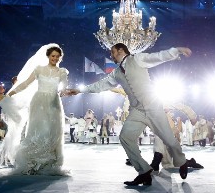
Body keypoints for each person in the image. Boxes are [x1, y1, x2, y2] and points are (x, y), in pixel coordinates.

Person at [65, 43, 196, 186]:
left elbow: (158, 56)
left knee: (169, 139)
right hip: (137, 110)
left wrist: (177, 51)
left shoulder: (137, 59)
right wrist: (79, 90)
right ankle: (144, 172)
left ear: (120, 50)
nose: (111, 55)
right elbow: (101, 85)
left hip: (153, 106)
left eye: (112, 52)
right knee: (125, 137)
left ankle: (182, 162)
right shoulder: (116, 73)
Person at [0, 43, 70, 176]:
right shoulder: (39, 69)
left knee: (53, 131)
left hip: (54, 103)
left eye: (57, 56)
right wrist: (12, 92)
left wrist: (63, 91)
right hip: (38, 102)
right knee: (38, 130)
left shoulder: (62, 72)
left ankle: (50, 163)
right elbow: (26, 83)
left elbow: (64, 86)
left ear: (60, 58)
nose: (55, 58)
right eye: (52, 56)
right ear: (48, 56)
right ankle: (33, 162)